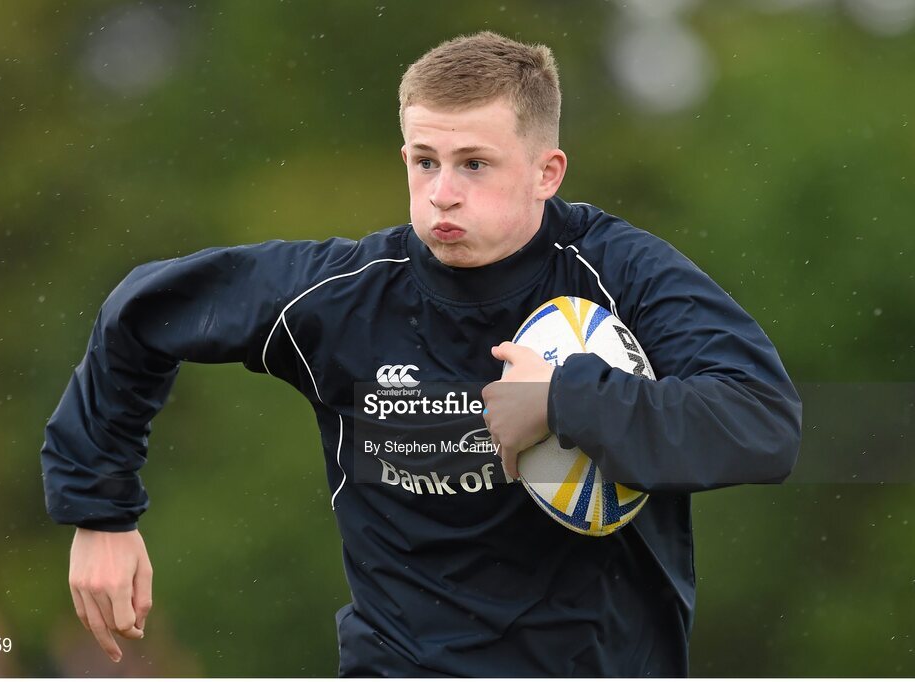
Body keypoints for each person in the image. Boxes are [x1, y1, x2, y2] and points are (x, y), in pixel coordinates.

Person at [41, 31, 802, 676]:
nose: (441, 193)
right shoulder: (337, 297)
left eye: (474, 164)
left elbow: (762, 421)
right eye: (423, 161)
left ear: (546, 172)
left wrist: (564, 400)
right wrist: (99, 515)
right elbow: (140, 314)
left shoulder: (619, 274)